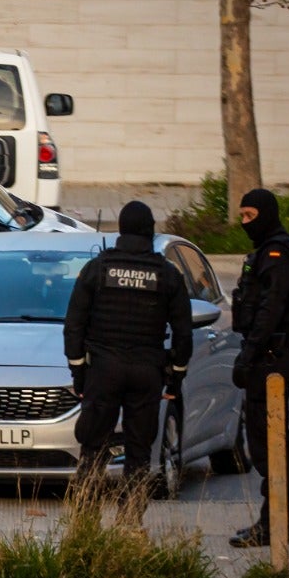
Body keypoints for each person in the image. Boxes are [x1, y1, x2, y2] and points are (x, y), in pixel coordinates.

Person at [62, 201, 192, 494]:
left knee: (93, 448)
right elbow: (183, 333)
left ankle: (85, 522)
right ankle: (131, 525)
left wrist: (79, 374)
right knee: (139, 454)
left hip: (103, 371)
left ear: (120, 229)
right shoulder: (167, 274)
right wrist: (175, 377)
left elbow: (74, 326)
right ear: (150, 232)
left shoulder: (97, 269)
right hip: (147, 373)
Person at [227, 187, 289, 547]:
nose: (244, 223)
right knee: (269, 442)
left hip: (269, 358)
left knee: (268, 444)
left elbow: (269, 310)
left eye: (249, 216)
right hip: (268, 354)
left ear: (266, 214)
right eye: (241, 216)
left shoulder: (276, 253)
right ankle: (275, 520)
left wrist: (249, 355)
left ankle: (273, 522)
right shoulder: (272, 249)